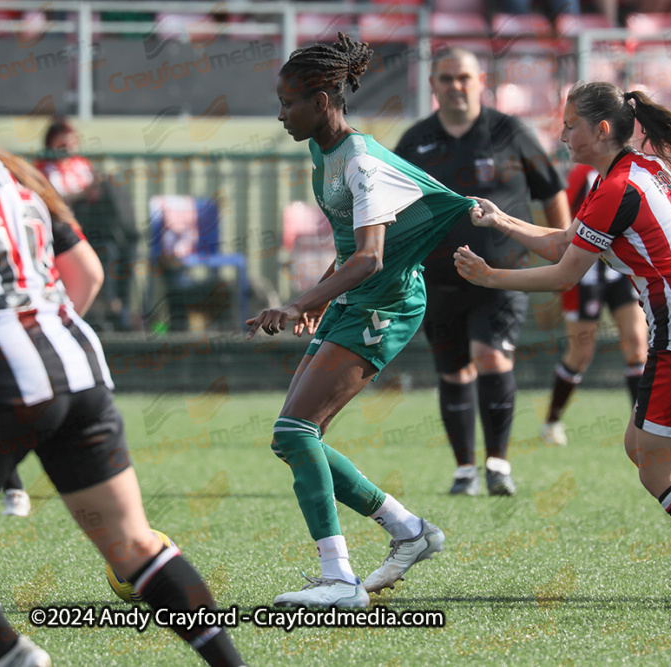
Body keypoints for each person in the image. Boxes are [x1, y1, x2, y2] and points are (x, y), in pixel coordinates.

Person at [0, 52, 245, 666]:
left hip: (0, 384)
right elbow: (87, 272)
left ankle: (16, 658)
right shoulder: (14, 170)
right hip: (80, 367)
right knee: (134, 546)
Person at [454, 80, 671, 610]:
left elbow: (565, 274)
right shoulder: (631, 171)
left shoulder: (617, 187)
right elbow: (566, 240)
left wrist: (491, 277)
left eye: (570, 126)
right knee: (642, 450)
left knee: (658, 467)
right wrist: (502, 218)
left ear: (600, 130)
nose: (561, 134)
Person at [246, 34, 474, 608]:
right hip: (357, 298)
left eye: (288, 103)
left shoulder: (363, 161)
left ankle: (340, 580)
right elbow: (352, 245)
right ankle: (407, 531)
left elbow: (372, 257)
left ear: (322, 100)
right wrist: (323, 295)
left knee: (295, 433)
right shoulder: (324, 150)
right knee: (294, 437)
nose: (280, 115)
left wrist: (300, 302)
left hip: (386, 301)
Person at [395, 47, 570, 496]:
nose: (456, 86)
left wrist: (566, 244)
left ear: (481, 81)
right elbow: (391, 207)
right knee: (453, 371)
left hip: (503, 273)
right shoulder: (414, 141)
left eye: (464, 77)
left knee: (490, 355)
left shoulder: (510, 132)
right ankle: (464, 471)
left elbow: (552, 190)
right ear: (432, 85)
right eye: (447, 78)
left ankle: (498, 465)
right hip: (437, 278)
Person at [541, 163, 648, 447]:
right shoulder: (582, 174)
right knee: (581, 352)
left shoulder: (633, 172)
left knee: (638, 342)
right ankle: (552, 420)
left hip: (620, 271)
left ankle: (643, 427)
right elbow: (562, 222)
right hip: (584, 274)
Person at [36, 119, 138, 332]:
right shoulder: (43, 170)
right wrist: (84, 193)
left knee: (115, 247)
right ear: (51, 144)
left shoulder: (81, 165)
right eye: (62, 145)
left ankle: (119, 304)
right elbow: (56, 202)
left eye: (71, 144)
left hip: (94, 228)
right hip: (63, 230)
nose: (67, 150)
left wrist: (94, 189)